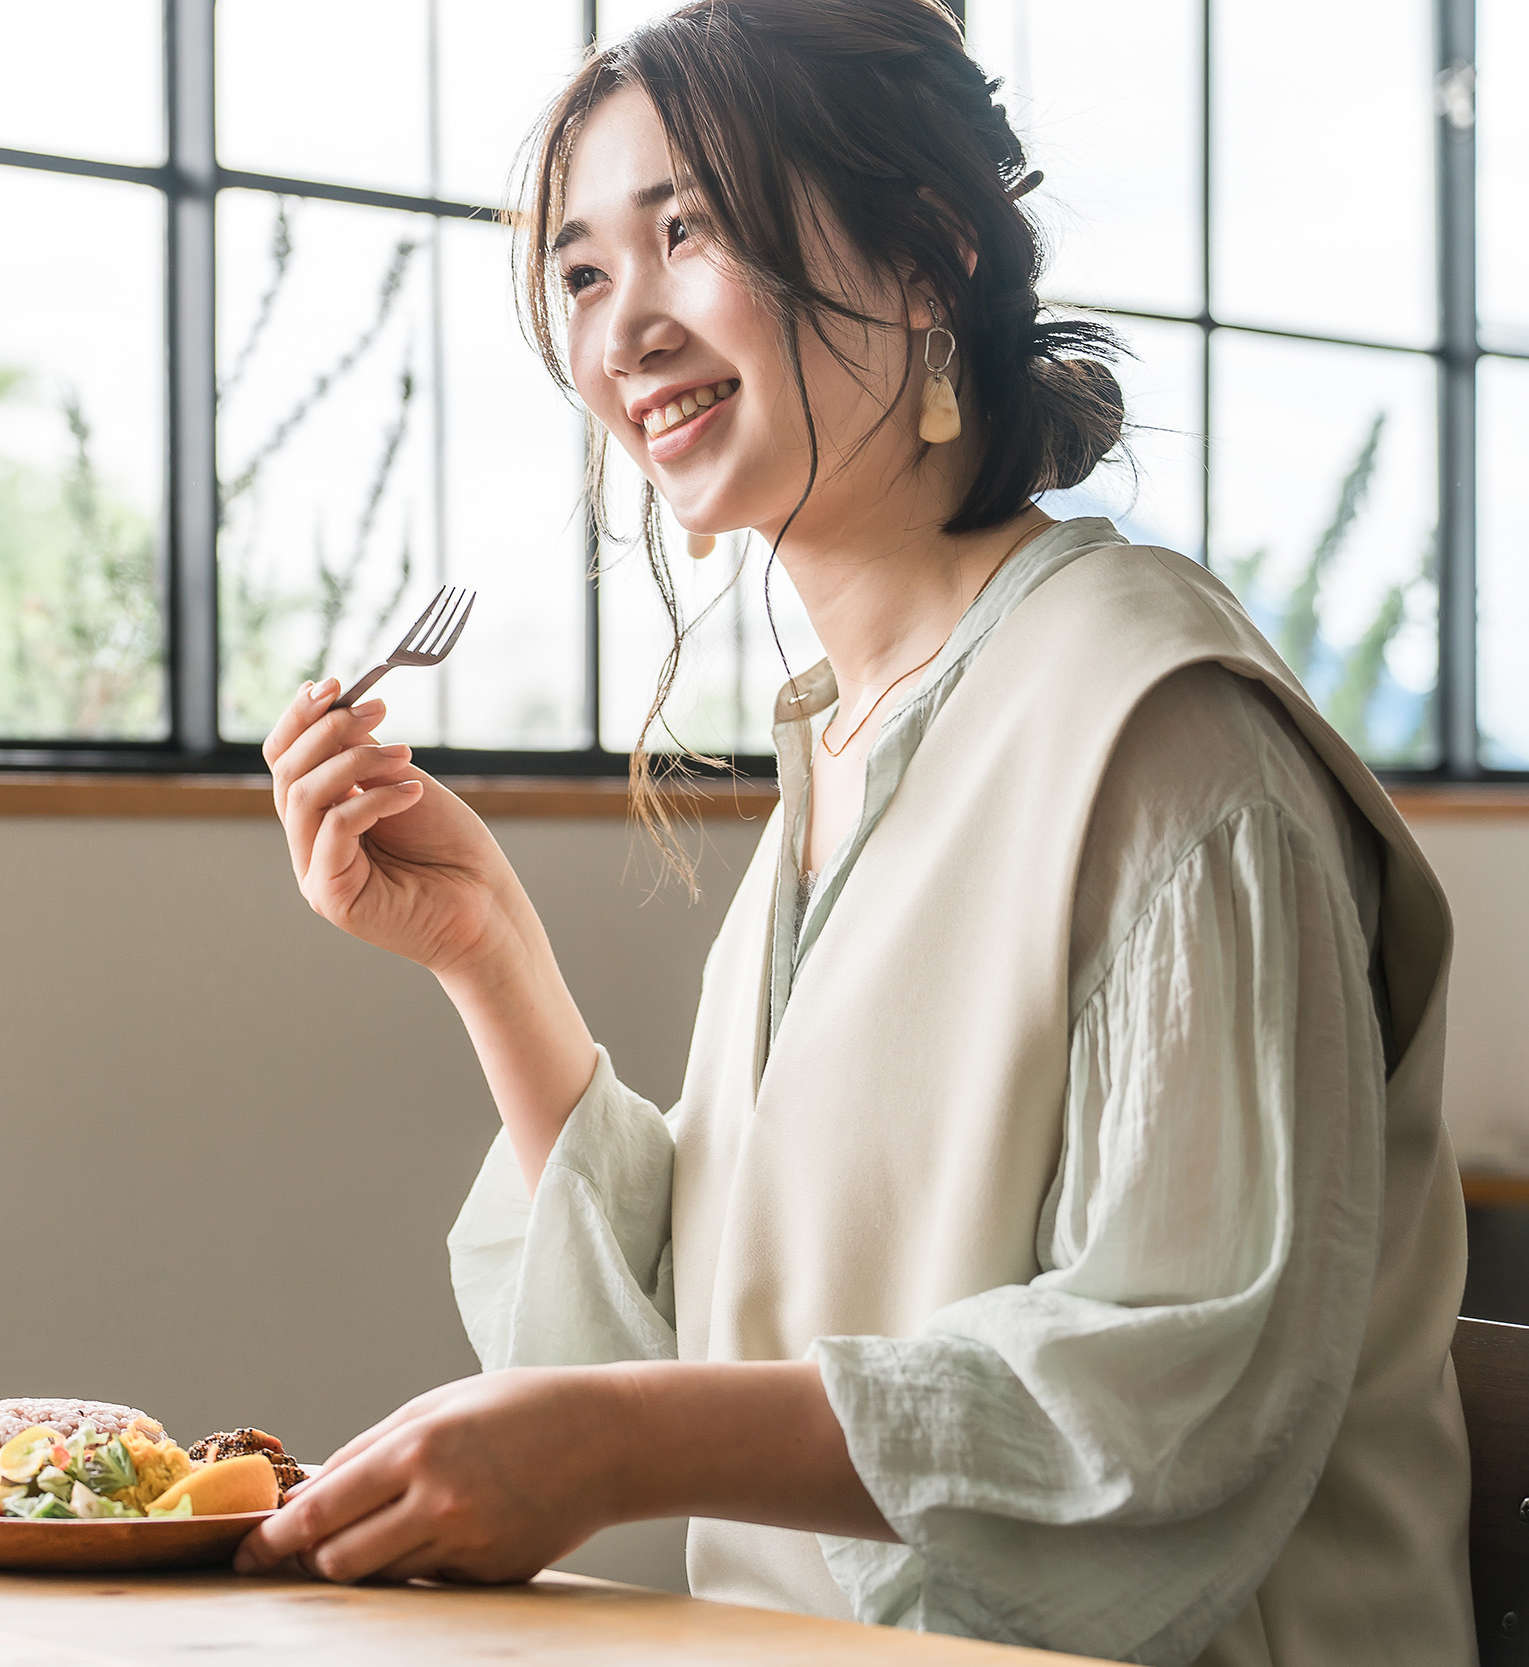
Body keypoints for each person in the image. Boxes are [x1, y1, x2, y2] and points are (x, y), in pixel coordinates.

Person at [233, 3, 1473, 1663]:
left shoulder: (1165, 729)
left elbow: (1174, 1385)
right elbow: (719, 1344)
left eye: (691, 231)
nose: (624, 331)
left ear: (923, 255)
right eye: (584, 271)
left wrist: (611, 1445)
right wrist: (489, 958)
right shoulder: (861, 725)